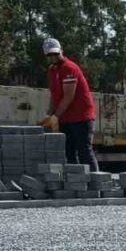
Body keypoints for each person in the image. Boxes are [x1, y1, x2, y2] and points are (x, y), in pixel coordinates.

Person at [39, 38, 98, 171]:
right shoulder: (52, 71)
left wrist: (56, 116)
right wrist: (49, 113)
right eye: (49, 55)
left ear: (61, 51)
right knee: (69, 152)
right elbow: (54, 95)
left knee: (84, 151)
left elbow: (68, 96)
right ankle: (76, 185)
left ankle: (95, 185)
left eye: (55, 53)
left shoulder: (69, 68)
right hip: (66, 118)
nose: (53, 57)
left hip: (81, 118)